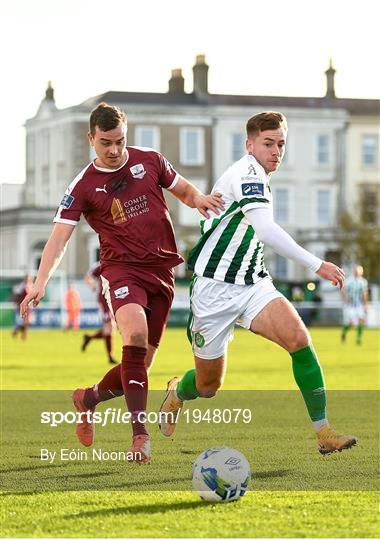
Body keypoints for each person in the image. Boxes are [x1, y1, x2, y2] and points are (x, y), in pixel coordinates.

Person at [20, 102, 223, 463]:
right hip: (122, 270)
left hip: (162, 271)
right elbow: (59, 237)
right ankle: (140, 437)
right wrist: (40, 281)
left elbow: (184, 190)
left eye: (119, 141)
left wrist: (200, 200)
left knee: (140, 367)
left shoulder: (151, 160)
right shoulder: (83, 185)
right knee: (134, 337)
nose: (114, 150)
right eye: (105, 143)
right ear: (91, 139)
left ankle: (88, 398)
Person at [159, 111, 357, 456]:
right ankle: (177, 392)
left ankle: (323, 431)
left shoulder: (261, 177)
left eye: (281, 144)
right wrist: (317, 264)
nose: (276, 151)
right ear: (249, 144)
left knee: (299, 339)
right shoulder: (247, 172)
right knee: (208, 386)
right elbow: (265, 231)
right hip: (214, 289)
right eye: (268, 143)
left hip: (252, 283)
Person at [82, 261, 117, 364]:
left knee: (111, 328)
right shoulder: (101, 265)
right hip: (104, 300)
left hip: (114, 298)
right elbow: (87, 277)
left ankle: (89, 337)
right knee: (109, 327)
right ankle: (110, 357)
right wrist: (93, 285)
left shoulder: (118, 261)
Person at [341, 265, 368, 345]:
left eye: (359, 271)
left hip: (359, 305)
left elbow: (364, 293)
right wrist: (345, 299)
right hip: (350, 305)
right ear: (353, 271)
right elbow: (342, 290)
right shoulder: (349, 281)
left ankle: (358, 339)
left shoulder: (363, 282)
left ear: (361, 272)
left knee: (361, 321)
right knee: (352, 324)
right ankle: (344, 333)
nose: (357, 273)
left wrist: (365, 304)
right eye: (356, 271)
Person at [12, 273, 33, 340]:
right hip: (22, 306)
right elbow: (16, 295)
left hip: (28, 307)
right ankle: (23, 336)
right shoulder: (22, 286)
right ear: (25, 279)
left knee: (27, 322)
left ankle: (17, 331)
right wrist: (16, 304)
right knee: (26, 321)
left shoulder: (30, 286)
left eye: (29, 278)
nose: (28, 279)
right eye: (27, 278)